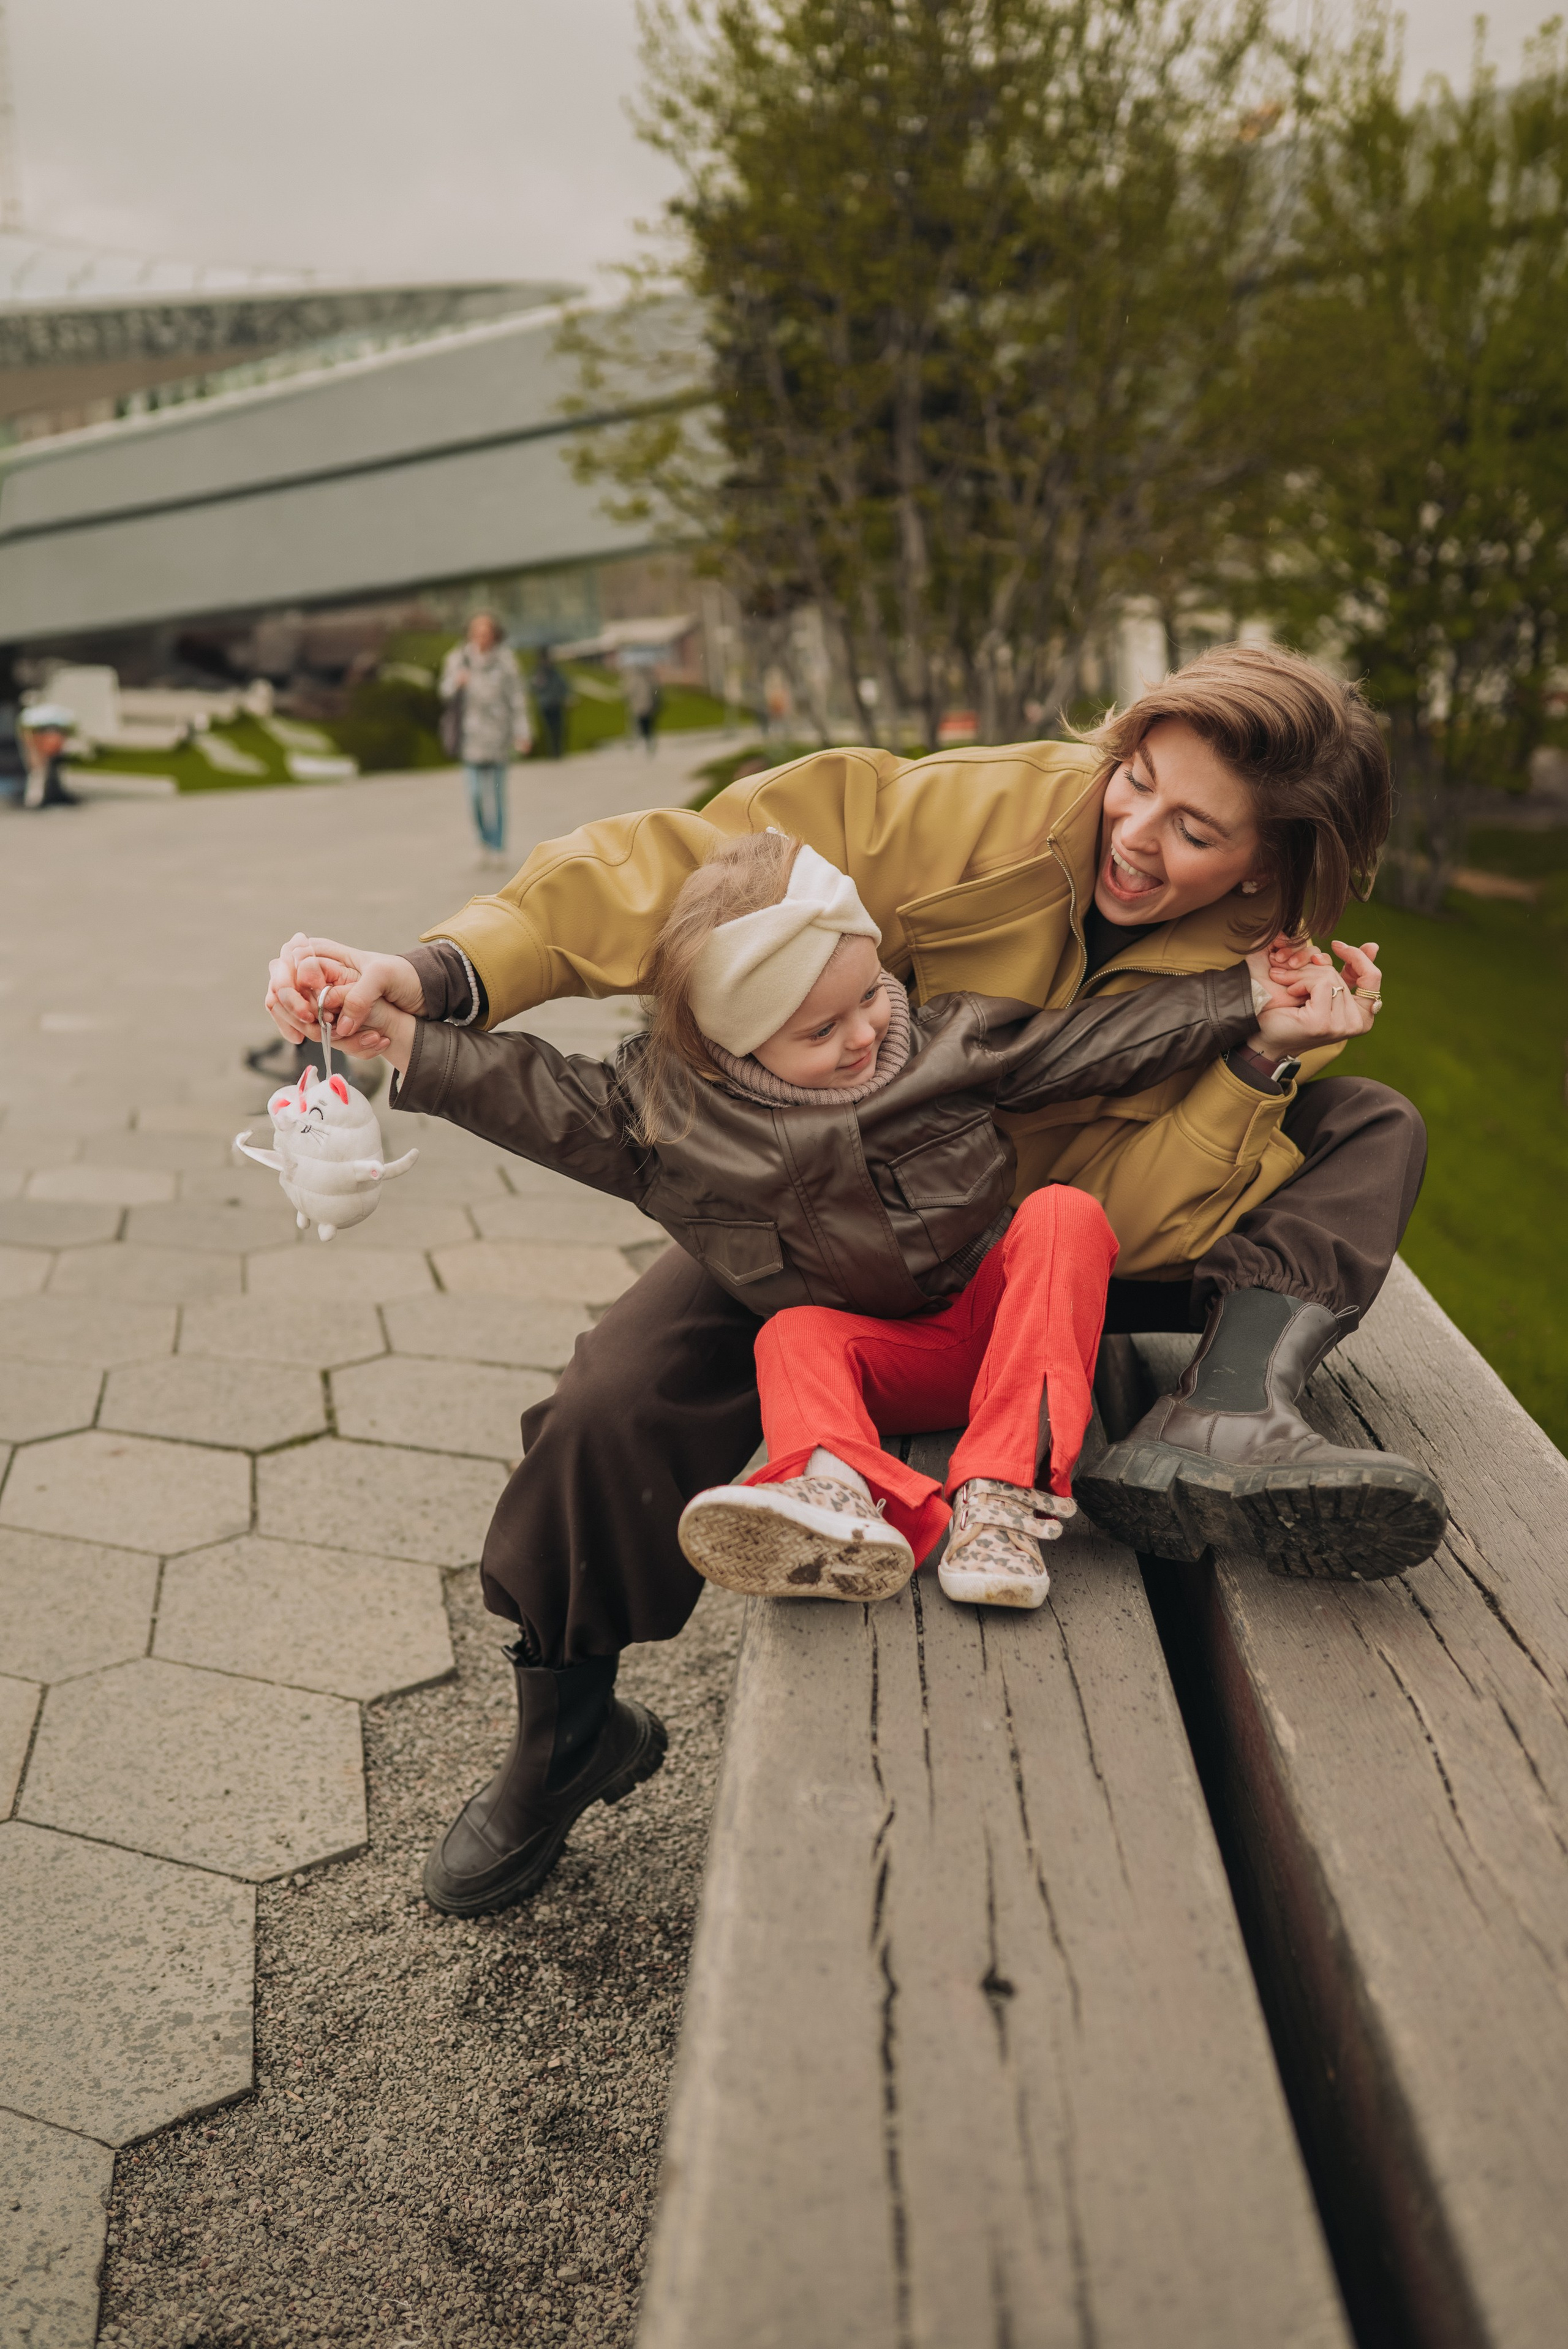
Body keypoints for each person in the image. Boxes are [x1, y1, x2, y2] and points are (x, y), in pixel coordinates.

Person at [265, 641, 1438, 1912]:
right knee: (608, 1400)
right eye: (1136, 779)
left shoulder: (1258, 967)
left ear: (1266, 862)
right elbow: (674, 869)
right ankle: (565, 1735)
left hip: (1062, 1242)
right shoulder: (975, 812)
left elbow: (1135, 1215)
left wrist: (1261, 1056)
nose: (1136, 832)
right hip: (830, 1206)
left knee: (1366, 1121)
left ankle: (1226, 1412)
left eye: (1195, 828)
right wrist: (433, 982)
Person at [439, 614, 532, 860]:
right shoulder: (458, 658)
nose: (481, 638)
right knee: (476, 796)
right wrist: (457, 682)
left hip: (498, 737)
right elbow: (444, 692)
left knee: (498, 796)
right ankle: (483, 842)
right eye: (477, 632)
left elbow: (517, 699)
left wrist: (522, 732)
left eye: (486, 633)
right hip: (470, 738)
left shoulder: (506, 661)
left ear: (494, 635)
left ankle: (499, 845)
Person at [16, 704, 83, 809]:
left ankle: (40, 799)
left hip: (46, 757)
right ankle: (35, 800)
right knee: (38, 776)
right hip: (39, 759)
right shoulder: (34, 735)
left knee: (43, 775)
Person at [530, 649, 570, 760]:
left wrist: (566, 696)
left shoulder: (555, 672)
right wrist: (537, 684)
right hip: (545, 704)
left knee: (558, 728)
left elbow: (563, 685)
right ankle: (552, 752)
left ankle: (558, 752)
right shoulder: (538, 673)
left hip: (556, 703)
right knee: (549, 729)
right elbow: (533, 688)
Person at [623, 660, 660, 755]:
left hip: (640, 708)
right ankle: (645, 745)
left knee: (639, 726)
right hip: (645, 707)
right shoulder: (648, 680)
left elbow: (628, 693)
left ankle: (641, 745)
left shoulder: (637, 680)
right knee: (645, 727)